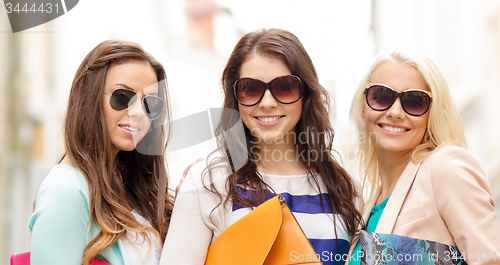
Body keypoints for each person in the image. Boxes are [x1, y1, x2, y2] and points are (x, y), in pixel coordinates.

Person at [160, 28, 362, 265]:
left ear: (306, 93)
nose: (267, 103)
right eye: (251, 89)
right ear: (235, 97)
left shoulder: (345, 189)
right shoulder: (208, 183)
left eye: (285, 87)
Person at [29, 40, 174, 265]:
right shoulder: (66, 190)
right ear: (90, 97)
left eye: (150, 104)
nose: (138, 112)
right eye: (123, 97)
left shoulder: (132, 190)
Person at [347, 51, 500, 264]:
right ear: (364, 108)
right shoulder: (367, 207)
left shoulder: (446, 167)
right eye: (381, 96)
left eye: (414, 101)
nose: (395, 112)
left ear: (432, 115)